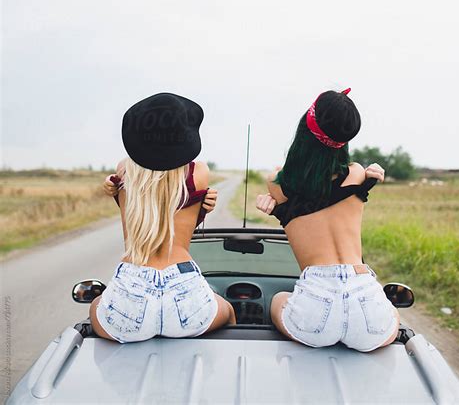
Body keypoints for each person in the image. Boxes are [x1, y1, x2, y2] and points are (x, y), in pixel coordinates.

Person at [256, 87, 399, 351]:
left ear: (304, 129)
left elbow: (287, 176)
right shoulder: (356, 174)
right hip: (364, 293)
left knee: (278, 299)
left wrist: (275, 205)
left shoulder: (278, 184)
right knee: (391, 317)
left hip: (315, 302)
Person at [89, 92, 236, 343]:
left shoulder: (124, 171)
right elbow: (179, 224)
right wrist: (202, 210)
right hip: (183, 284)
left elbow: (150, 216)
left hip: (132, 280)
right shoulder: (198, 172)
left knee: (96, 307)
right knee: (229, 312)